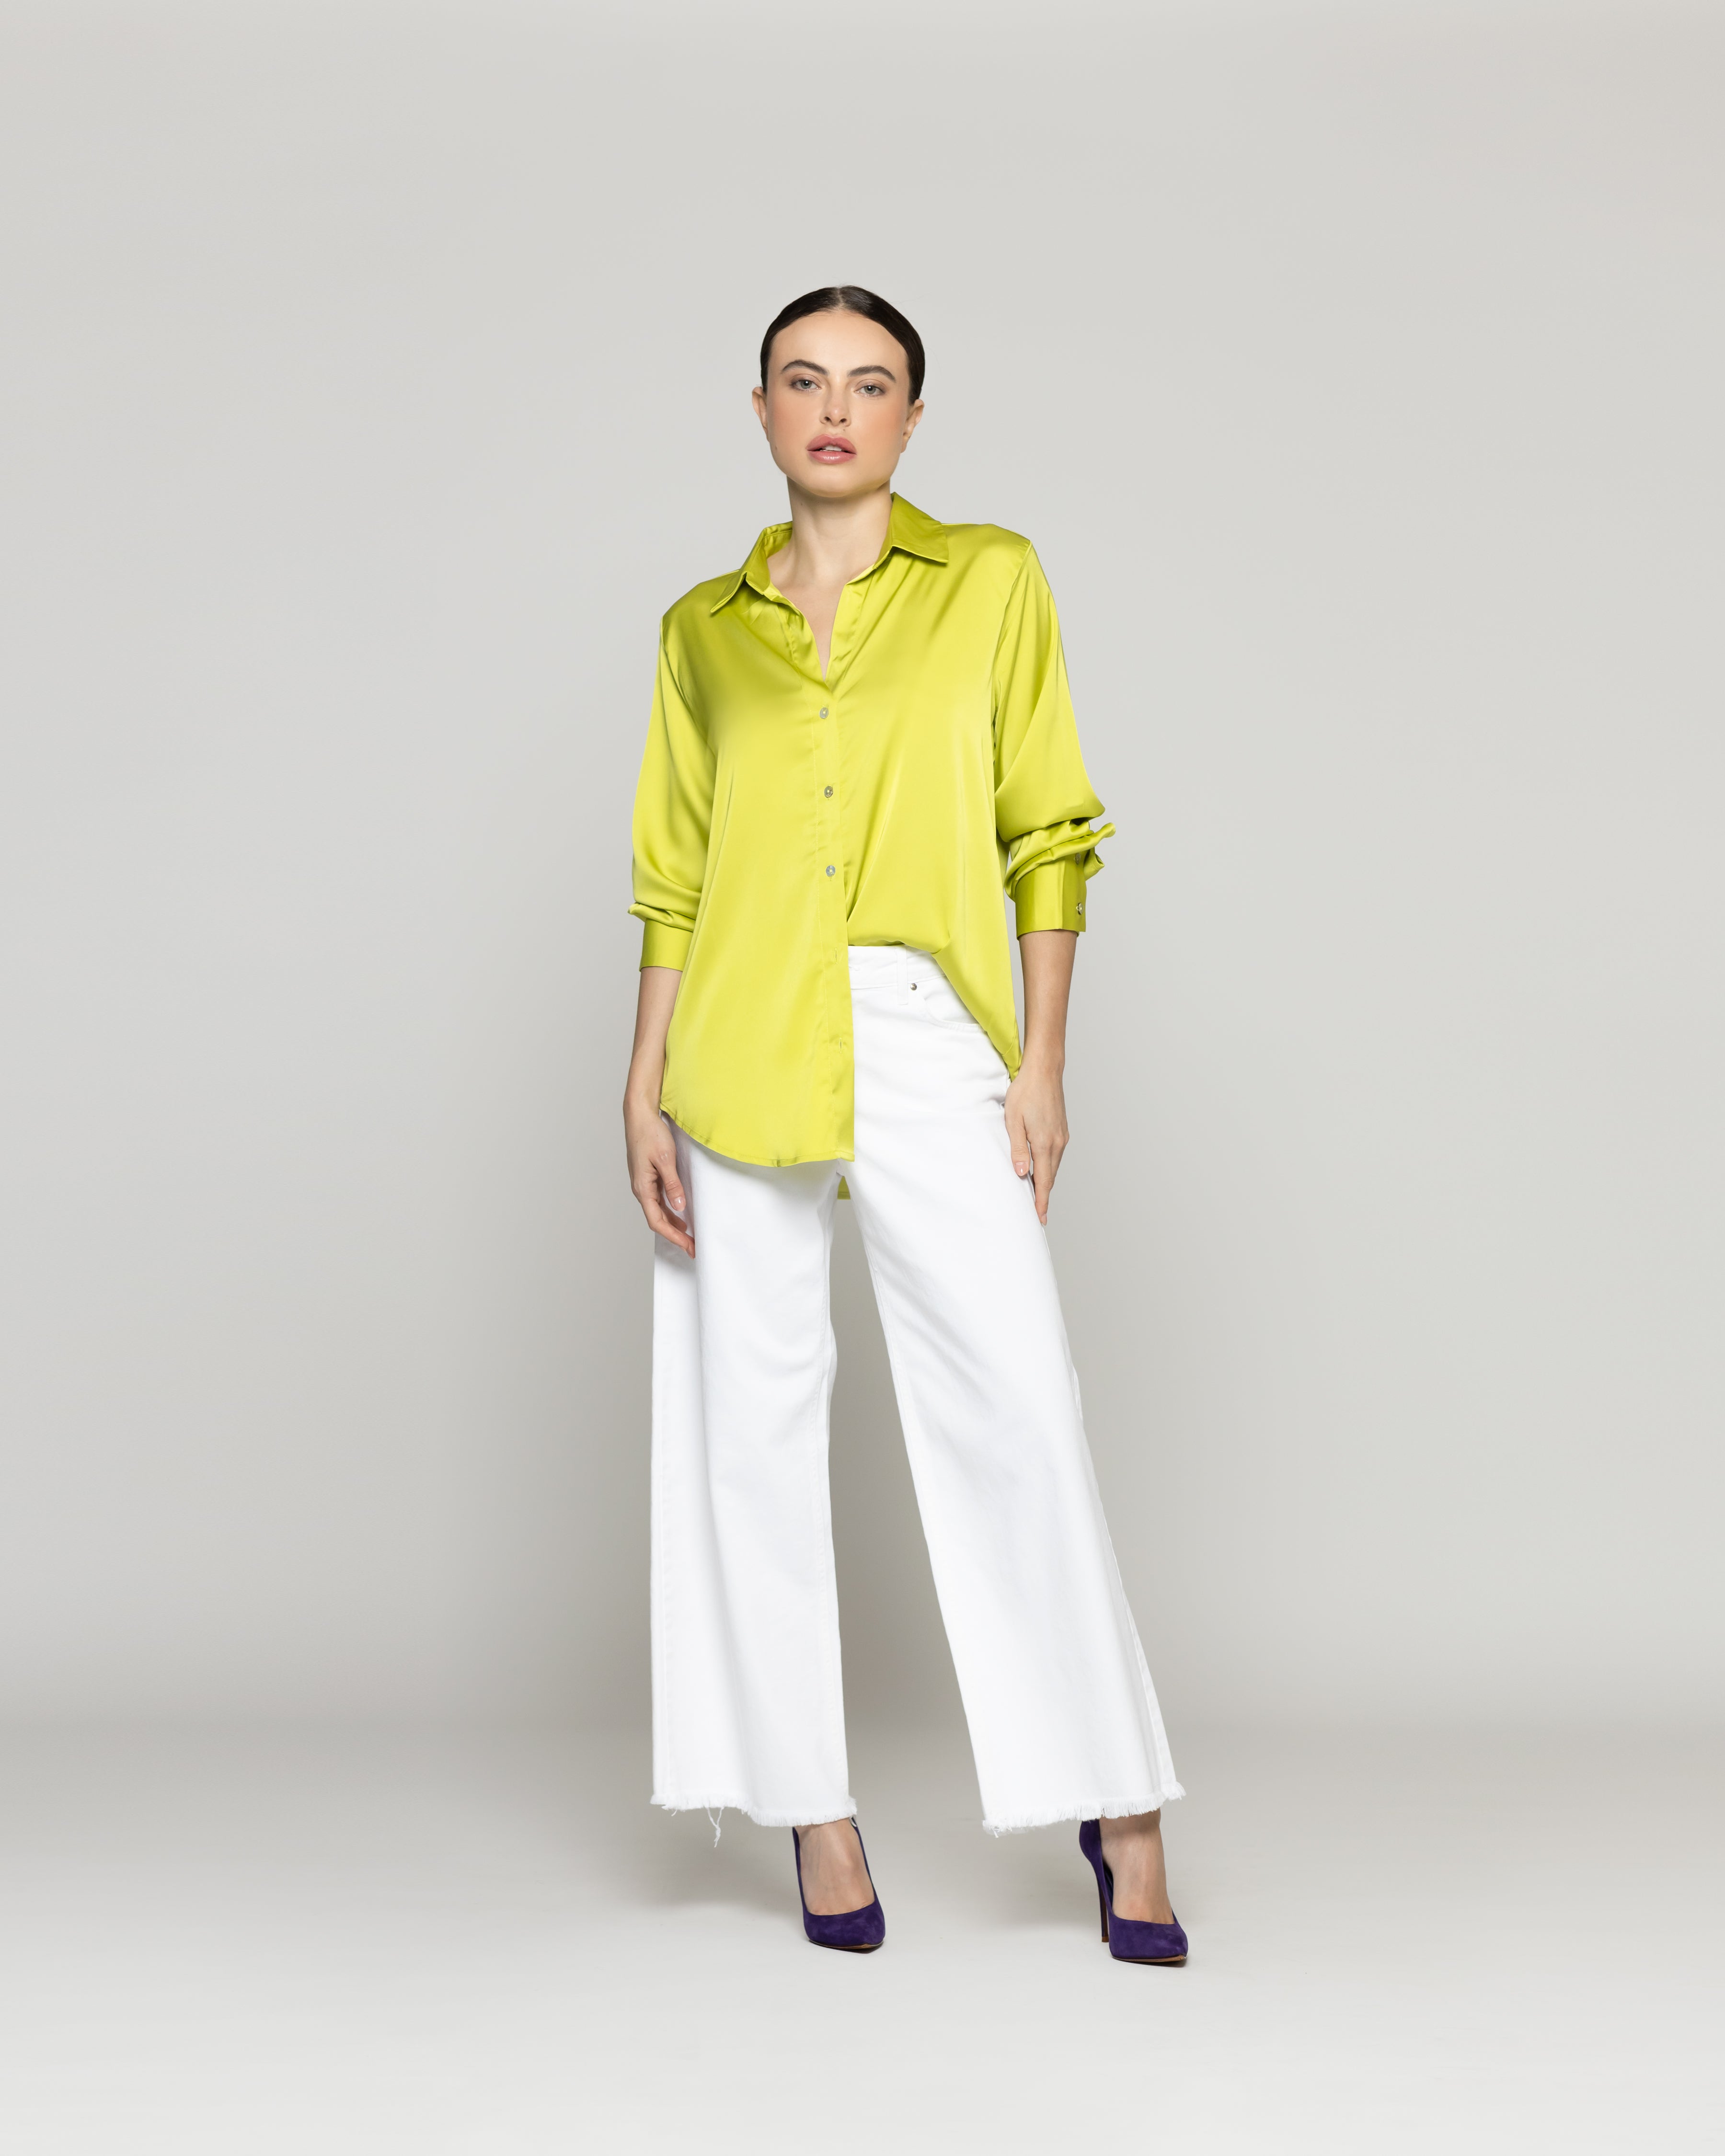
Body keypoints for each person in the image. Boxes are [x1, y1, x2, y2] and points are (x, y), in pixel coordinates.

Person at [622, 287, 1185, 1964]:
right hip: (735, 1038)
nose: (835, 408)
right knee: (750, 1427)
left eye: (870, 384)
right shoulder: (702, 631)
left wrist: (1045, 1060)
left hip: (926, 1028)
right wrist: (641, 1076)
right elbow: (672, 874)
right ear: (760, 409)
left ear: (913, 419)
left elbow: (1050, 827)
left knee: (1020, 1403)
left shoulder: (991, 581)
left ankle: (1118, 1798)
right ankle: (812, 1805)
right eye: (804, 380)